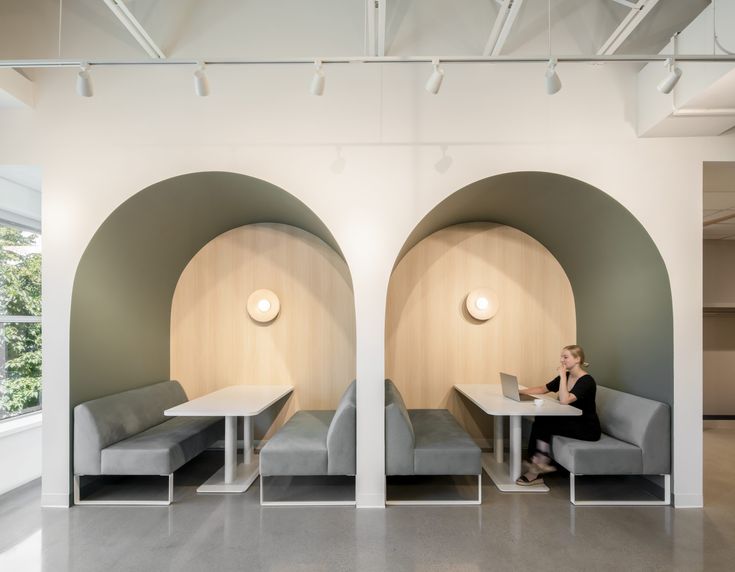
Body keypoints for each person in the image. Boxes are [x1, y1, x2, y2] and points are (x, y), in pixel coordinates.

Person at [515, 345, 601, 486]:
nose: (562, 360)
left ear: (577, 359)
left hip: (587, 428)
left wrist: (562, 376)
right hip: (572, 421)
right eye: (561, 357)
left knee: (545, 423)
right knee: (541, 419)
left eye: (565, 357)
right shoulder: (567, 376)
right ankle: (536, 462)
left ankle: (536, 468)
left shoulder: (586, 381)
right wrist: (520, 391)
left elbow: (564, 400)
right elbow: (543, 389)